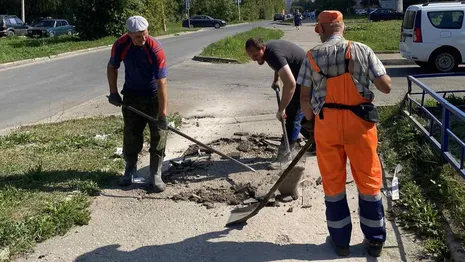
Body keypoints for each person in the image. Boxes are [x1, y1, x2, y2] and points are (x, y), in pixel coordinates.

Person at [297, 10, 392, 257]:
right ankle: (374, 242)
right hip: (359, 125)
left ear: (325, 29)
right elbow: (386, 87)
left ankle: (340, 243)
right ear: (342, 27)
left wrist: (310, 124)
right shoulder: (362, 50)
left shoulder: (311, 56)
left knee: (333, 183)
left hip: (327, 126)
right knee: (369, 180)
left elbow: (304, 99)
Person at [107, 15, 169, 193]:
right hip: (132, 97)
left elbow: (162, 82)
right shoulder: (121, 45)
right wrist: (113, 92)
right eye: (138, 36)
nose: (142, 39)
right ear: (129, 34)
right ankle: (130, 168)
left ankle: (155, 173)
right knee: (131, 134)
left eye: (144, 34)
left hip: (153, 97)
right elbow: (112, 66)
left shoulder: (155, 49)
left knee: (158, 134)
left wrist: (163, 114)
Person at [245, 38, 316, 170]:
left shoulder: (273, 54)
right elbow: (281, 65)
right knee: (303, 116)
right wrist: (276, 79)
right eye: (250, 56)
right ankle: (317, 144)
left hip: (307, 79)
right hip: (307, 76)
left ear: (263, 48)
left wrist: (281, 109)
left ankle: (284, 158)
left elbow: (290, 84)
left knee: (292, 117)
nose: (254, 59)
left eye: (255, 55)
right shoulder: (270, 50)